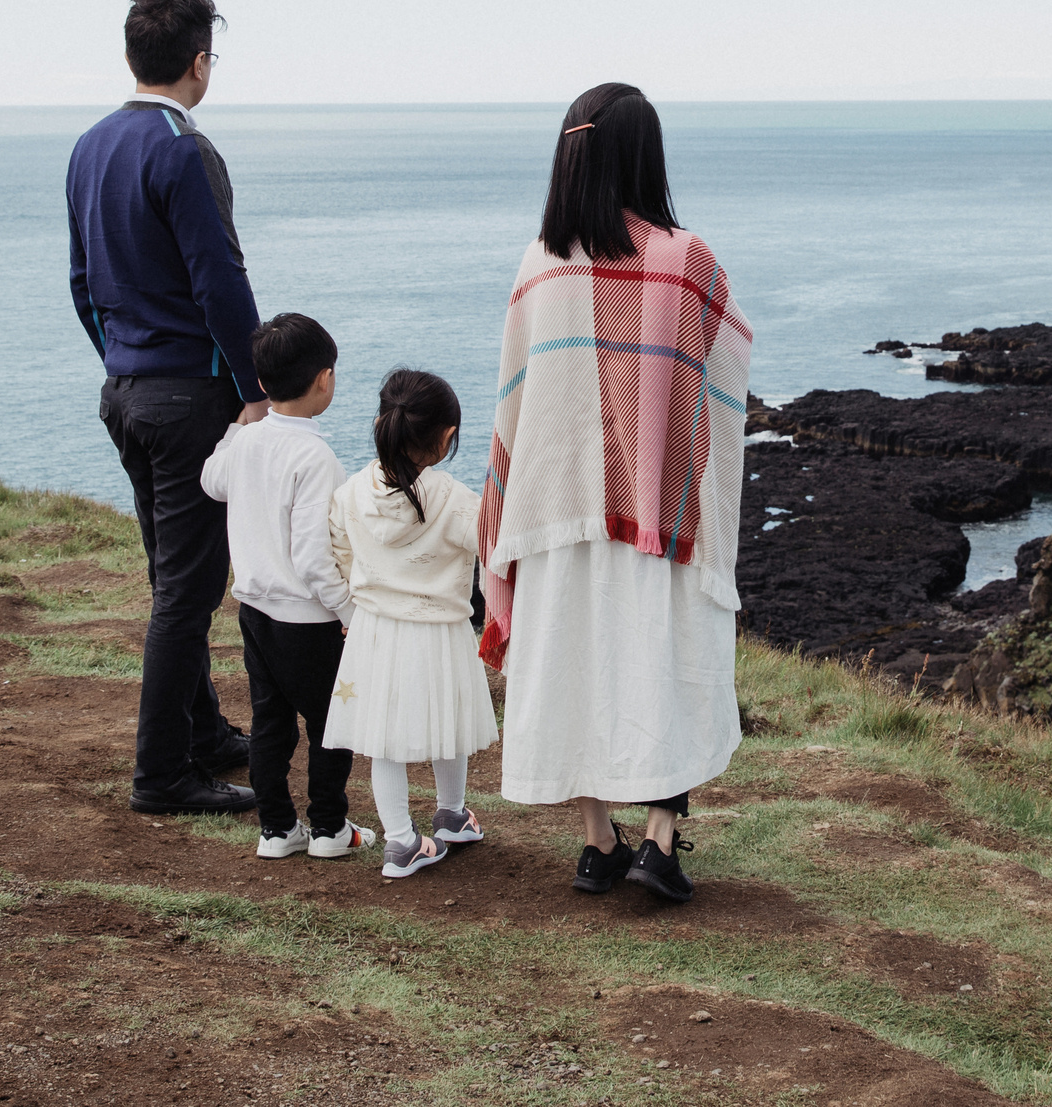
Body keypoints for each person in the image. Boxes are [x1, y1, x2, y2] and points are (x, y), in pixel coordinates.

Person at [479, 83, 752, 904]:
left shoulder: (539, 263)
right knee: (664, 663)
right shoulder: (686, 258)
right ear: (645, 156)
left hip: (555, 508)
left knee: (576, 665)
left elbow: (514, 397)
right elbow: (727, 360)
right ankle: (660, 843)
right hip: (658, 515)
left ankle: (598, 843)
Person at [66, 0, 265, 816]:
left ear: (129, 56)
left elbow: (82, 282)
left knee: (170, 574)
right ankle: (162, 774)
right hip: (190, 397)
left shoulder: (89, 145)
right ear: (199, 62)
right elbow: (220, 280)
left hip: (126, 390)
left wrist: (124, 364)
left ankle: (204, 731)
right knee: (189, 588)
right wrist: (255, 389)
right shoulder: (184, 150)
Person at [200, 312, 378, 862]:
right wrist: (350, 611)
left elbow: (211, 481)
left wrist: (237, 428)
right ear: (325, 379)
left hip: (255, 613)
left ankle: (277, 830)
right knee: (331, 723)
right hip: (309, 621)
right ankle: (329, 828)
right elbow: (314, 558)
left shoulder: (246, 443)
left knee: (270, 723)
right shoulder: (315, 456)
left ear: (260, 381)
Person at [325, 369, 500, 880]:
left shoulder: (350, 492)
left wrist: (354, 609)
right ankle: (451, 814)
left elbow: (339, 553)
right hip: (440, 631)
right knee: (449, 725)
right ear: (447, 438)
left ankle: (401, 840)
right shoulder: (453, 497)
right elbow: (493, 546)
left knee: (384, 740)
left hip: (374, 630)